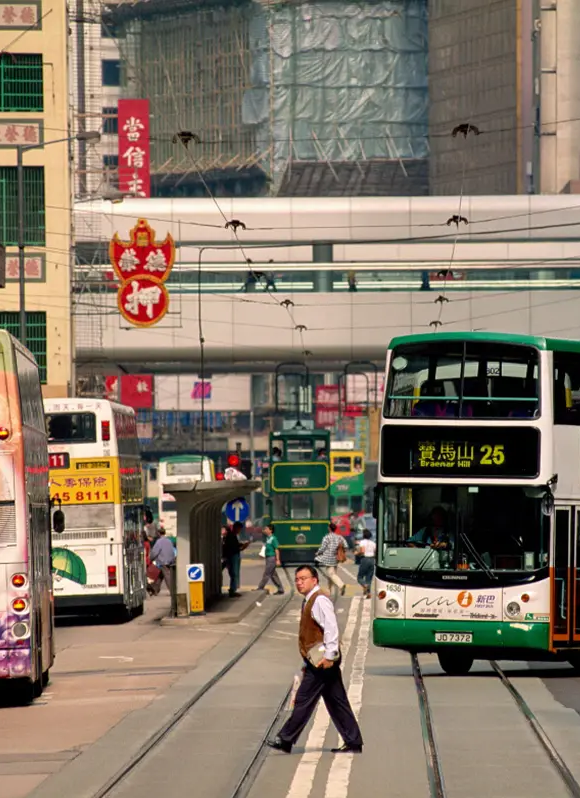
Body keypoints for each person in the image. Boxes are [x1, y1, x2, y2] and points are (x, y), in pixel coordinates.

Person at [267, 565, 363, 754]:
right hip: (316, 659)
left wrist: (329, 656)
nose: (299, 582)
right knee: (336, 700)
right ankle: (353, 741)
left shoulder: (319, 600)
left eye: (303, 579)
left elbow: (331, 628)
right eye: (297, 579)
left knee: (303, 698)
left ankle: (286, 738)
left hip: (322, 661)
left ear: (314, 580)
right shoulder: (309, 600)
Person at [315, 523, 346, 597]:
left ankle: (341, 585)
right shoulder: (339, 537)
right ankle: (329, 590)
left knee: (331, 574)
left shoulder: (327, 537)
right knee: (331, 574)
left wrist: (318, 553)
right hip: (336, 558)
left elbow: (323, 548)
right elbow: (346, 545)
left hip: (328, 558)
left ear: (329, 528)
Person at [223, 521, 250, 597]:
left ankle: (233, 589)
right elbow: (234, 547)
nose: (239, 531)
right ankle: (232, 590)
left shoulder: (232, 535)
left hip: (232, 556)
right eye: (239, 529)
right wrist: (243, 546)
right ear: (236, 528)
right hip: (232, 556)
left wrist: (242, 544)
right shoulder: (231, 536)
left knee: (234, 573)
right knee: (234, 573)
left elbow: (236, 545)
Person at [256, 524, 284, 594]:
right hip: (268, 558)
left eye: (266, 529)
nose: (265, 530)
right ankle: (280, 589)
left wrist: (278, 560)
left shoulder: (273, 538)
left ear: (270, 530)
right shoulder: (268, 538)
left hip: (272, 558)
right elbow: (266, 547)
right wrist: (262, 554)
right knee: (273, 575)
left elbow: (276, 549)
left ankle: (260, 587)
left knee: (267, 573)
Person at [149, 528, 176, 595]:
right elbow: (172, 551)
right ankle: (155, 589)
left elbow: (155, 552)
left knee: (167, 577)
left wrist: (151, 558)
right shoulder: (169, 541)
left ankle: (173, 592)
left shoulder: (159, 541)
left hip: (163, 562)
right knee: (160, 576)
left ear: (158, 533)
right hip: (170, 561)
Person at [356, 529, 376, 599]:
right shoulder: (373, 543)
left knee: (359, 577)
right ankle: (368, 593)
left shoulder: (362, 542)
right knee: (369, 578)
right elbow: (375, 552)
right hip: (372, 560)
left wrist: (357, 553)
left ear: (363, 535)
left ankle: (364, 585)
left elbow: (362, 551)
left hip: (365, 559)